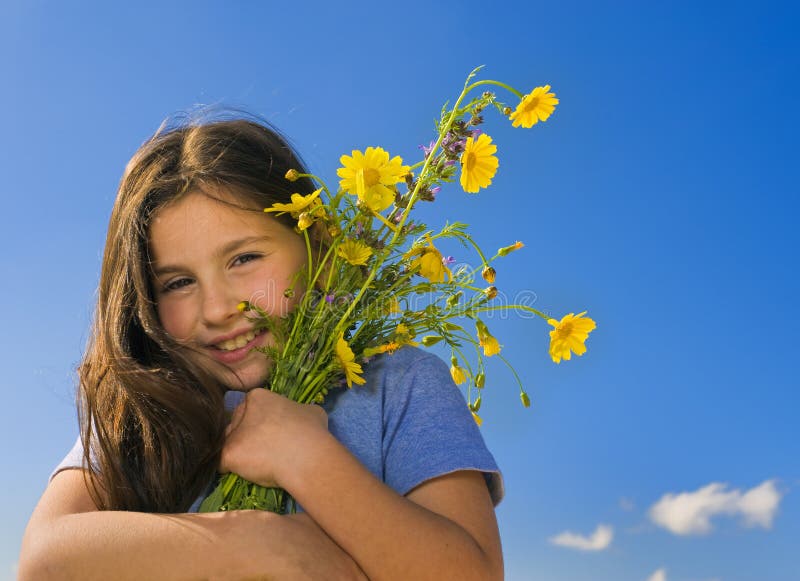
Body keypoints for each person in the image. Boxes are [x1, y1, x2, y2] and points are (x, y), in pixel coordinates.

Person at [18, 114, 505, 580]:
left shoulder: (399, 385)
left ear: (316, 244)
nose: (217, 308)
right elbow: (45, 561)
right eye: (178, 282)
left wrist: (306, 458)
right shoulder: (148, 407)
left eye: (244, 258)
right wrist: (252, 541)